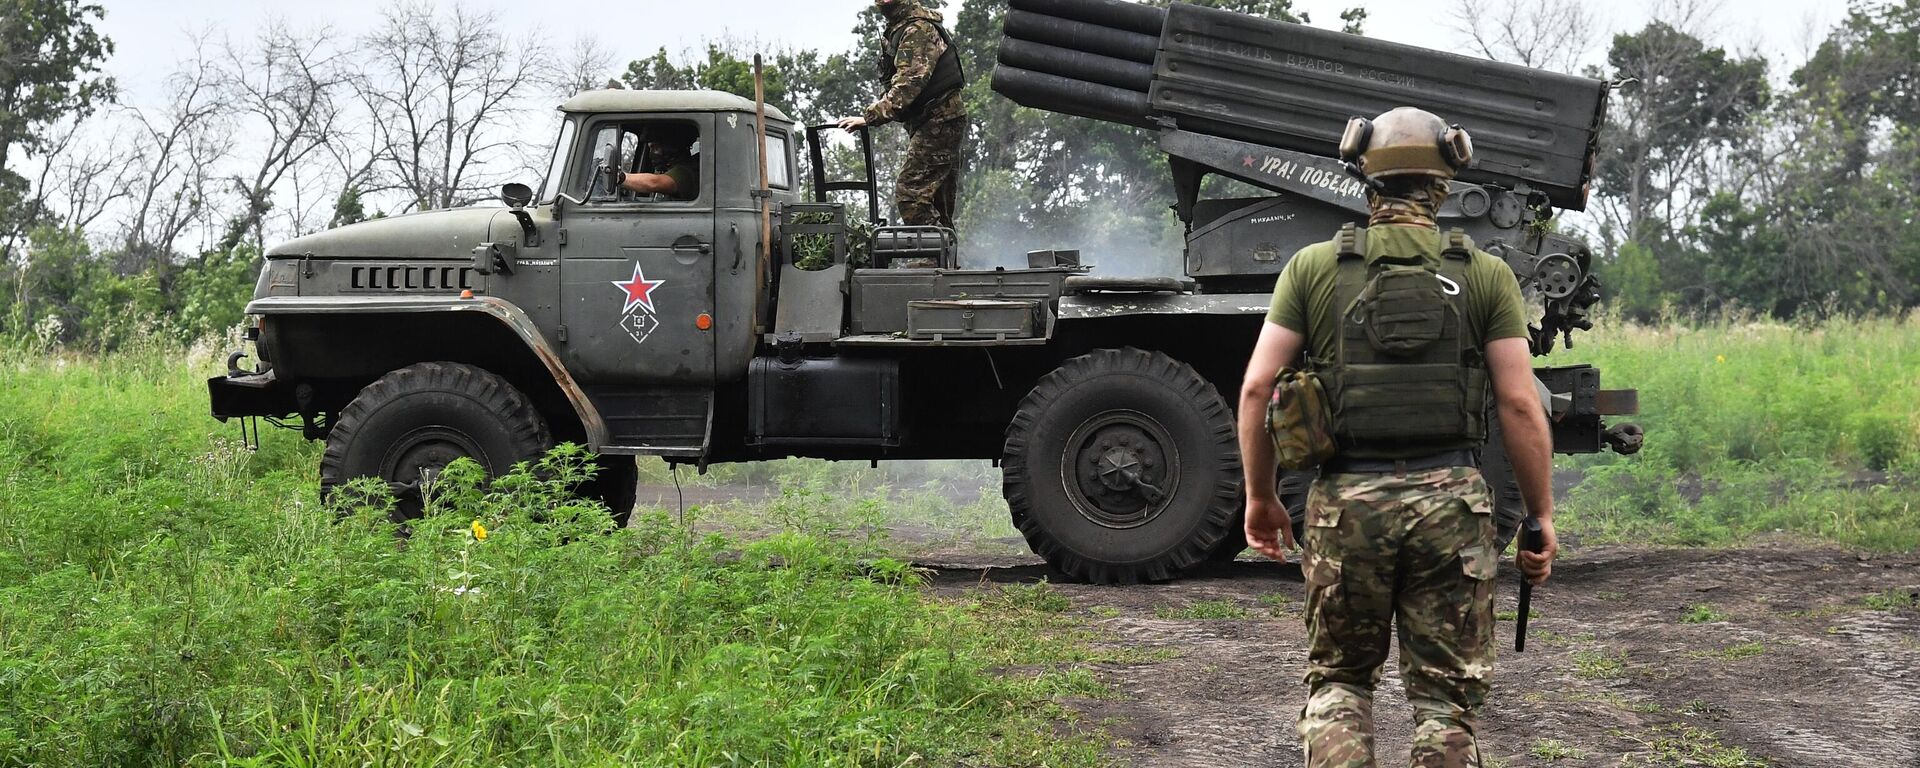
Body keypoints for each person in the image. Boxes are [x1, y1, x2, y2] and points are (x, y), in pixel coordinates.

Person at [1236, 107, 1560, 767]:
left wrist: (1261, 498)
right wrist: (1540, 514)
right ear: (1443, 184)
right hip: (1452, 507)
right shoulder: (1487, 275)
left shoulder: (1312, 269)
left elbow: (1257, 388)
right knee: (1445, 703)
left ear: (1365, 178)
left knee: (1340, 681)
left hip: (1346, 505)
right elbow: (1522, 406)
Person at [835, 0, 967, 232]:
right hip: (935, 120)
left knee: (911, 193)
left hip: (939, 119)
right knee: (936, 201)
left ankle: (930, 258)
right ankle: (942, 261)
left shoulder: (917, 29)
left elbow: (910, 82)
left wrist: (871, 116)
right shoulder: (901, 28)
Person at [614, 123, 699, 200]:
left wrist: (619, 177)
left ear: (671, 148)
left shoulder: (686, 172)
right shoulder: (673, 170)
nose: (651, 153)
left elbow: (654, 183)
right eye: (650, 148)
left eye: (655, 148)